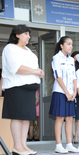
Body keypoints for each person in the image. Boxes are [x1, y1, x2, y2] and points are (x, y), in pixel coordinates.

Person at [1, 24, 44, 155]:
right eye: (26, 34)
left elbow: (33, 67)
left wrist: (39, 73)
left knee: (26, 118)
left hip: (29, 89)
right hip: (16, 88)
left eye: (29, 34)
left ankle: (24, 145)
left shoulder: (28, 50)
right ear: (17, 35)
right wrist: (35, 71)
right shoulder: (10, 48)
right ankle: (17, 146)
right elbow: (16, 68)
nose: (28, 37)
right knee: (18, 117)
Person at [49, 36, 79, 153]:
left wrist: (75, 92)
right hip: (60, 92)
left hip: (71, 93)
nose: (71, 46)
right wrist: (66, 92)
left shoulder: (71, 60)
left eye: (71, 44)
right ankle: (58, 145)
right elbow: (58, 76)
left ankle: (69, 144)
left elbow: (74, 77)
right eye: (68, 44)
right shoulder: (56, 58)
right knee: (60, 117)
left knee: (70, 118)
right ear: (61, 45)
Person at [71, 51, 79, 144]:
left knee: (77, 117)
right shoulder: (70, 65)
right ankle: (70, 135)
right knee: (70, 116)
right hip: (71, 92)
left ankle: (76, 135)